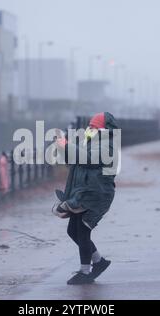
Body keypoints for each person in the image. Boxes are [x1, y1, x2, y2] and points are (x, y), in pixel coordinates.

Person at [54, 112, 119, 285]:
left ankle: (85, 271)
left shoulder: (107, 146)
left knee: (82, 231)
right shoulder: (92, 143)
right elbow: (75, 163)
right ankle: (99, 262)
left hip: (96, 195)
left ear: (103, 130)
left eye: (93, 127)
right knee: (72, 231)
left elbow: (87, 159)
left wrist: (67, 145)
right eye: (89, 126)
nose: (89, 129)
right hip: (83, 194)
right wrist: (63, 146)